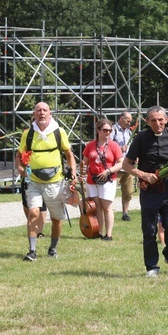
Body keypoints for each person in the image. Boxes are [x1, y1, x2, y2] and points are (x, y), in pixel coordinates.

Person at [123, 105, 168, 277]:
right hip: (149, 191)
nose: (158, 123)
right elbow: (126, 165)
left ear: (166, 119)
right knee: (149, 230)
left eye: (160, 120)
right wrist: (143, 175)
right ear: (147, 121)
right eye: (153, 120)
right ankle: (151, 267)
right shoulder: (141, 138)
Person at [15, 102, 76, 261]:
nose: (41, 113)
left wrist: (73, 172)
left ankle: (53, 248)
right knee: (33, 213)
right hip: (33, 181)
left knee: (56, 219)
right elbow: (19, 155)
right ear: (34, 114)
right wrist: (20, 168)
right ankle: (32, 251)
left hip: (55, 182)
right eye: (38, 110)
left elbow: (69, 154)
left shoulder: (59, 131)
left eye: (45, 110)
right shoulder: (28, 134)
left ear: (50, 114)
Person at [82, 118, 123, 241]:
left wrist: (108, 171)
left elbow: (121, 163)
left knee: (107, 207)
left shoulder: (114, 146)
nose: (108, 133)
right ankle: (99, 232)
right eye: (105, 130)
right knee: (97, 207)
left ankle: (108, 234)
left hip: (108, 179)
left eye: (110, 131)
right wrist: (82, 172)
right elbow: (84, 162)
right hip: (92, 180)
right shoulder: (90, 145)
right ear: (98, 130)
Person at [110, 111, 134, 221]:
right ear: (121, 119)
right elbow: (107, 146)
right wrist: (119, 149)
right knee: (111, 191)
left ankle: (125, 213)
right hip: (116, 166)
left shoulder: (129, 132)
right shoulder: (112, 130)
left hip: (128, 166)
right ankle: (108, 211)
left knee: (128, 191)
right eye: (128, 120)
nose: (129, 123)